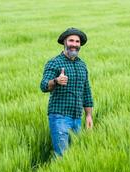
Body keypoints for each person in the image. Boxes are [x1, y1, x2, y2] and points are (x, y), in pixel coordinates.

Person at [40, 27, 94, 157]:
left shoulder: (82, 65)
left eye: (77, 42)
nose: (74, 44)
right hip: (60, 117)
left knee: (75, 155)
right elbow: (43, 85)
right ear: (64, 42)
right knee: (62, 156)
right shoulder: (55, 62)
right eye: (71, 41)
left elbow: (86, 91)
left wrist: (88, 116)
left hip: (77, 118)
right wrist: (56, 81)